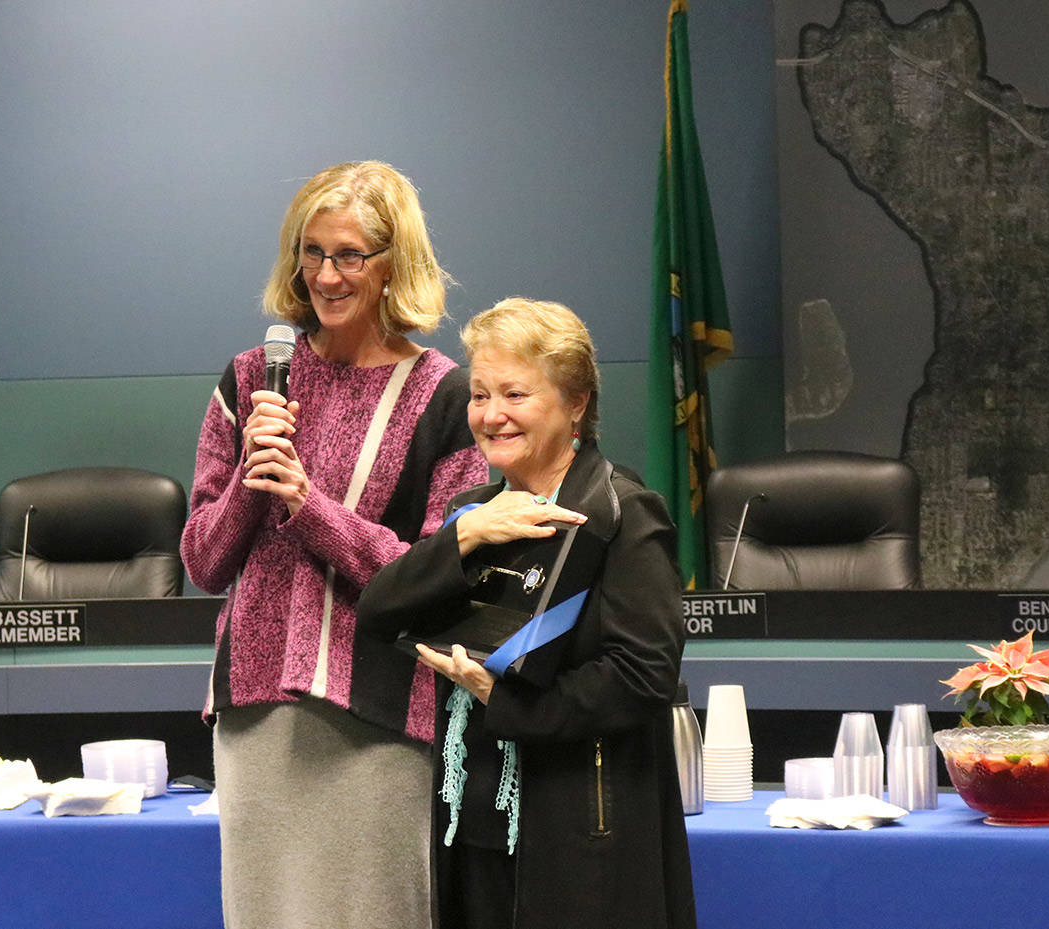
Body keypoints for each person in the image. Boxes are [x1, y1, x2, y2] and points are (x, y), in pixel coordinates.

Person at [179, 160, 487, 929]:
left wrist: (308, 505)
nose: (325, 275)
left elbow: (440, 574)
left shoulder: (446, 396)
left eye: (349, 254)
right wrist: (254, 478)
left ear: (392, 264)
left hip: (377, 714)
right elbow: (204, 562)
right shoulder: (250, 380)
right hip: (255, 714)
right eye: (311, 253)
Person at [356, 298, 697, 929]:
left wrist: (505, 700)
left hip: (579, 826)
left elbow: (644, 676)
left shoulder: (622, 512)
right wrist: (465, 535)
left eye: (515, 394)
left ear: (576, 404)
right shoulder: (474, 512)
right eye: (480, 395)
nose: (492, 415)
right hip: (472, 817)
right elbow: (377, 613)